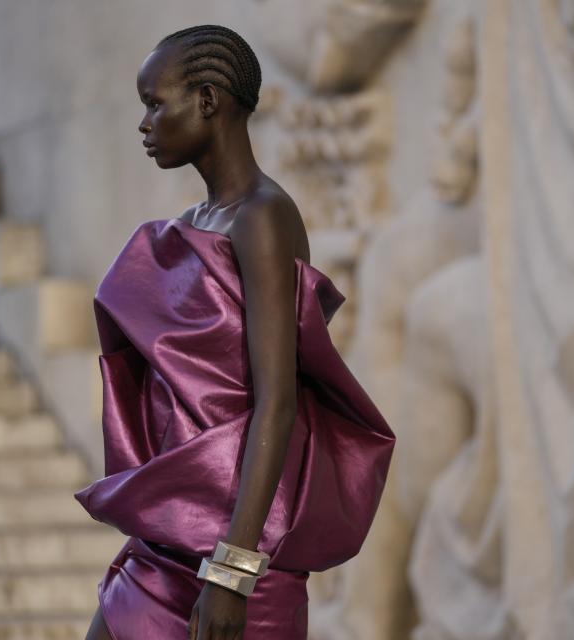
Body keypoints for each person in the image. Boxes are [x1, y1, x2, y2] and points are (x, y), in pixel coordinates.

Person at [75, 25, 395, 640]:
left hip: (235, 552)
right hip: (163, 545)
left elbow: (276, 402)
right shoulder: (192, 222)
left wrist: (231, 572)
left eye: (153, 101)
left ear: (207, 100)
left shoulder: (264, 217)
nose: (144, 123)